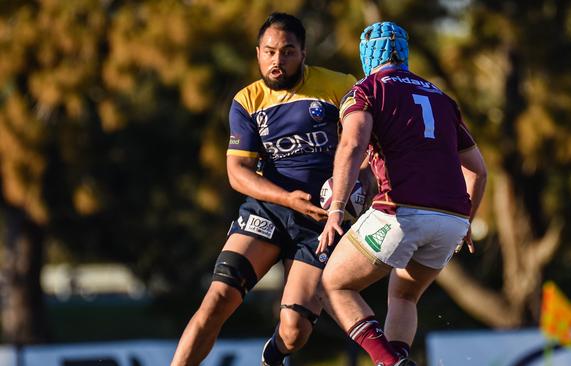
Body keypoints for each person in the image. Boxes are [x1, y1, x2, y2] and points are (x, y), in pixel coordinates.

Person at [171, 13, 356, 366]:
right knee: (218, 298)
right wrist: (286, 198)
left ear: (304, 53)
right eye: (269, 52)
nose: (277, 60)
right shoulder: (247, 101)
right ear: (258, 53)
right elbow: (237, 172)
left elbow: (363, 144)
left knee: (294, 330)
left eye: (287, 52)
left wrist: (352, 191)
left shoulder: (339, 86)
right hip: (268, 210)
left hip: (320, 222)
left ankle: (274, 354)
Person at [317, 21, 488, 366]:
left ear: (366, 53)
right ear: (405, 52)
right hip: (452, 219)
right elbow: (478, 170)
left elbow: (352, 143)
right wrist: (467, 221)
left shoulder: (367, 89)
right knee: (404, 296)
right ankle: (400, 359)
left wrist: (336, 209)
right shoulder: (440, 97)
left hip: (401, 212)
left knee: (333, 286)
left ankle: (389, 361)